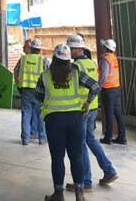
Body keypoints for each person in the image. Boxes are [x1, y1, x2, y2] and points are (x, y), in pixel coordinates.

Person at [35, 43, 99, 201]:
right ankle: (80, 193)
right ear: (68, 59)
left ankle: (58, 194)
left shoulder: (45, 76)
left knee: (57, 158)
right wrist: (87, 103)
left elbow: (37, 98)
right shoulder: (76, 73)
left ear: (54, 58)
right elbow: (95, 87)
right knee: (76, 157)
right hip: (75, 120)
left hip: (54, 121)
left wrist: (47, 106)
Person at [65, 34, 118, 192]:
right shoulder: (91, 62)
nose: (69, 52)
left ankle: (85, 181)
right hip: (93, 107)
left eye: (71, 49)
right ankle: (109, 170)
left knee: (80, 145)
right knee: (90, 140)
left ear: (77, 49)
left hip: (81, 109)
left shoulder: (75, 67)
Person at [15, 38, 49, 145]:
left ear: (32, 48)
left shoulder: (23, 60)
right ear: (39, 50)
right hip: (40, 92)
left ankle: (25, 138)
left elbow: (15, 73)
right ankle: (42, 138)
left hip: (25, 90)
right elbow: (49, 75)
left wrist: (19, 86)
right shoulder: (43, 61)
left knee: (26, 113)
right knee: (41, 115)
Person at [98, 39, 127, 145]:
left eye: (103, 46)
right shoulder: (113, 58)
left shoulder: (105, 59)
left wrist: (98, 86)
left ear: (106, 48)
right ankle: (122, 136)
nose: (102, 47)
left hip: (108, 90)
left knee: (109, 114)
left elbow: (104, 76)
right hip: (116, 88)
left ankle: (108, 137)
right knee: (118, 113)